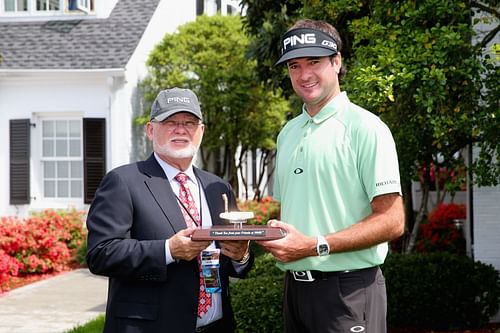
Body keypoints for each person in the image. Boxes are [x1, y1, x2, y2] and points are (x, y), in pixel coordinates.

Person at [257, 19, 405, 333]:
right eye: (294, 65)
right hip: (294, 291)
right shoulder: (288, 133)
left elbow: (393, 221)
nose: (304, 74)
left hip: (349, 291)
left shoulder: (366, 128)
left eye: (314, 62)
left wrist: (315, 245)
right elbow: (297, 214)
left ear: (336, 62)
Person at [86, 87, 253, 333]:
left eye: (189, 122)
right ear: (151, 130)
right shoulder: (123, 181)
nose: (181, 129)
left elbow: (233, 260)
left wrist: (241, 255)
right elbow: (101, 253)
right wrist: (168, 250)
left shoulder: (217, 187)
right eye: (170, 122)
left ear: (201, 131)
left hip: (217, 327)